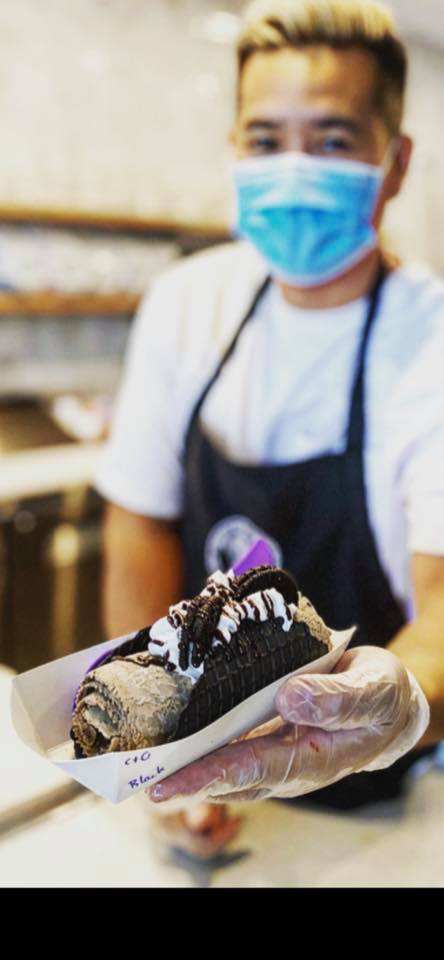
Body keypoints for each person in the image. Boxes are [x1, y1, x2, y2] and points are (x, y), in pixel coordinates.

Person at [96, 0, 444, 855]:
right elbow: (140, 522)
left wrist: (398, 705)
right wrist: (149, 749)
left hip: (383, 796)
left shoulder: (431, 342)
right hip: (202, 784)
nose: (293, 170)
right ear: (234, 151)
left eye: (331, 141)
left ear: (395, 163)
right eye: (265, 140)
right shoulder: (187, 305)